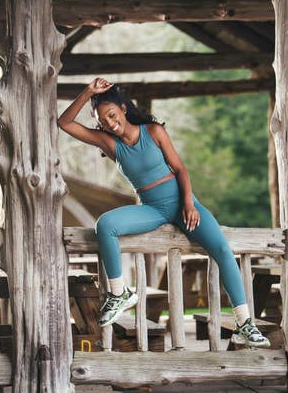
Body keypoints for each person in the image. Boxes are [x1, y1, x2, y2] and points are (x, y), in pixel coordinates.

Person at [57, 77, 271, 348]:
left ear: (123, 108)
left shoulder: (154, 131)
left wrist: (189, 204)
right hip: (152, 209)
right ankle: (119, 293)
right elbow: (64, 123)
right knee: (105, 224)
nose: (109, 123)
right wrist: (88, 91)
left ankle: (245, 324)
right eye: (103, 121)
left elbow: (180, 169)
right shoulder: (109, 144)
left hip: (182, 203)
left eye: (111, 115)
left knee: (222, 250)